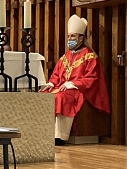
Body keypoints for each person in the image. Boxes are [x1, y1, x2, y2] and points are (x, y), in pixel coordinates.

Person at [39, 15, 110, 145]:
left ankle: (59, 136)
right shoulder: (65, 56)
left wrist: (73, 84)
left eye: (73, 36)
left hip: (79, 90)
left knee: (60, 98)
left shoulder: (90, 56)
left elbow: (92, 77)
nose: (69, 39)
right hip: (62, 87)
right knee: (43, 95)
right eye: (68, 36)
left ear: (81, 38)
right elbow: (56, 74)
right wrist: (50, 84)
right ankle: (43, 133)